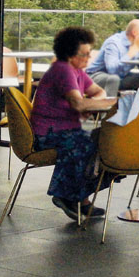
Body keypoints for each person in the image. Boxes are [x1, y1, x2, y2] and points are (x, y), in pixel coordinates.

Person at [31, 26, 114, 222]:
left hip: (64, 131)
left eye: (89, 54)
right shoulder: (63, 70)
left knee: (105, 142)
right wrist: (115, 102)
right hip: (48, 134)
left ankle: (78, 199)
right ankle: (67, 195)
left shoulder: (76, 71)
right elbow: (77, 103)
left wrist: (94, 103)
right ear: (69, 54)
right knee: (92, 144)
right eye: (83, 54)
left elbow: (98, 92)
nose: (87, 59)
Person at [86, 19, 139, 97]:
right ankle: (109, 106)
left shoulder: (137, 43)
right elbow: (112, 70)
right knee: (114, 79)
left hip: (121, 77)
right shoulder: (113, 43)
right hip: (96, 76)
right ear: (134, 32)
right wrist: (131, 53)